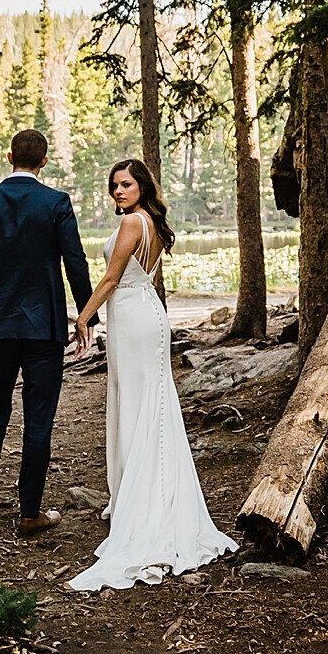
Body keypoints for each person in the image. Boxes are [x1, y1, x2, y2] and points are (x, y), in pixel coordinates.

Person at [68, 158, 238, 591]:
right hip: (143, 313)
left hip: (133, 316)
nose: (118, 192)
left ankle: (146, 506)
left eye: (125, 184)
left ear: (142, 186)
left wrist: (83, 318)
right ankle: (143, 494)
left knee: (144, 406)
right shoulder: (151, 223)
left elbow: (109, 279)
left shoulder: (132, 224)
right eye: (114, 186)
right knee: (148, 404)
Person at [0, 128, 95, 538]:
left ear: (8, 156)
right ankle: (29, 514)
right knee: (39, 420)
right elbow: (74, 261)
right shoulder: (56, 203)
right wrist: (87, 316)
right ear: (44, 161)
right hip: (43, 329)